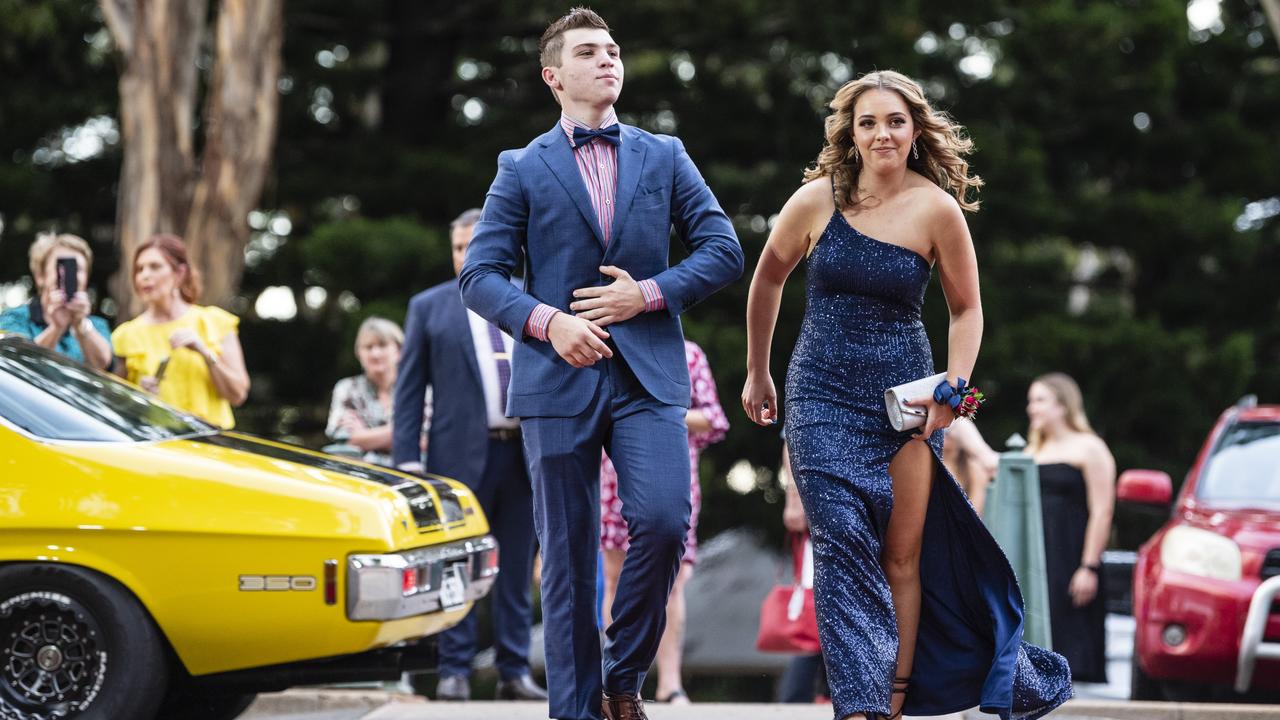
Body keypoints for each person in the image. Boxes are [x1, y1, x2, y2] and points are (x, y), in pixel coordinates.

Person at [742, 70, 1071, 720]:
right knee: (837, 540)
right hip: (819, 396)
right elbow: (767, 281)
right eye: (868, 122)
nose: (882, 133)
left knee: (902, 557)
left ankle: (890, 704)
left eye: (895, 120)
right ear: (851, 133)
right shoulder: (816, 201)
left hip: (906, 401)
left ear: (915, 129)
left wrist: (955, 388)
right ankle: (857, 706)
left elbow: (968, 309)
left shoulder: (937, 209)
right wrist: (759, 371)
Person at [458, 8, 743, 719]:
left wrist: (646, 295)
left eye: (614, 49)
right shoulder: (520, 167)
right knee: (566, 557)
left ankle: (623, 678)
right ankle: (576, 712)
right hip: (555, 382)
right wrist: (548, 322)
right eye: (589, 51)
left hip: (649, 377)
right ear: (555, 77)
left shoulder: (666, 154)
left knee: (663, 522)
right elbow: (481, 275)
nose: (608, 58)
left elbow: (723, 249)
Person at [393, 209, 546, 702]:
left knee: (517, 568)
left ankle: (513, 671)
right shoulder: (429, 306)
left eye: (473, 246)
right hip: (456, 460)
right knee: (457, 566)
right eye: (457, 248)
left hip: (524, 455)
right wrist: (408, 464)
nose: (464, 256)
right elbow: (409, 392)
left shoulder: (533, 296)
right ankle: (454, 670)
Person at [598, 339, 728, 705]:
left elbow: (713, 419)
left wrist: (651, 412)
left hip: (673, 474)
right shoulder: (610, 346)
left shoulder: (688, 353)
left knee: (672, 582)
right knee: (614, 578)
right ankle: (620, 680)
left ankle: (670, 681)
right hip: (612, 479)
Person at [1025, 372, 1115, 683]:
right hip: (1038, 562)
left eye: (1039, 400)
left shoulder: (1090, 447)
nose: (1031, 408)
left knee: (1072, 656)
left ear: (1062, 406)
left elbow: (1102, 510)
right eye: (1030, 401)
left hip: (1072, 559)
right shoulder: (1031, 451)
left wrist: (1088, 566)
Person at [112, 234, 249, 427]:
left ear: (180, 273)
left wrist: (204, 352)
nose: (145, 275)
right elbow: (114, 408)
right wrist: (139, 398)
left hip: (213, 443)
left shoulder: (214, 321)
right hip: (159, 447)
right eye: (139, 269)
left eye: (155, 266)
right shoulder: (125, 335)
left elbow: (238, 395)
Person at [0, 232, 112, 369]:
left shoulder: (96, 326)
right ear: (40, 276)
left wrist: (81, 326)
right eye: (62, 266)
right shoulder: (15, 318)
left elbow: (103, 365)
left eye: (78, 269)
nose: (70, 276)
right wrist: (56, 329)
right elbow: (13, 365)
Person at [776, 440, 830, 705]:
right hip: (821, 499)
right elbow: (792, 438)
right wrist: (794, 497)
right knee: (820, 607)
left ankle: (826, 694)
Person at [325, 316, 403, 466]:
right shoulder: (347, 388)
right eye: (368, 347)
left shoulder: (417, 389)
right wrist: (402, 432)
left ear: (399, 350)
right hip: (361, 479)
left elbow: (428, 440)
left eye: (382, 345)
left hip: (411, 480)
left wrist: (365, 436)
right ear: (358, 354)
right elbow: (345, 438)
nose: (375, 353)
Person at [942, 419, 999, 516]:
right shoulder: (929, 465)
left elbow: (975, 512)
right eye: (943, 429)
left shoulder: (974, 468)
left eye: (950, 430)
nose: (947, 433)